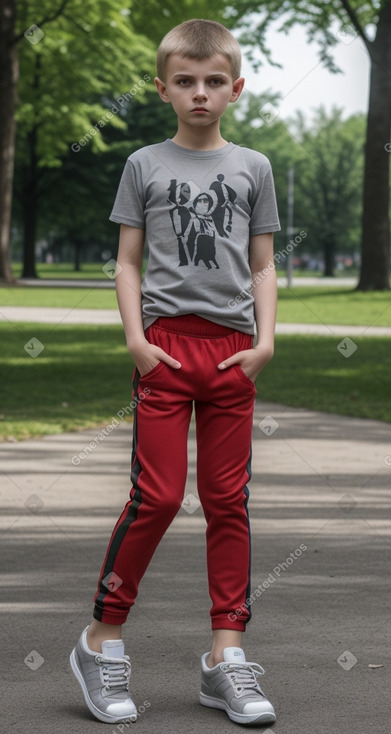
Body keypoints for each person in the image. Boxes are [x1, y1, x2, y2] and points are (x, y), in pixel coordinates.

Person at [70, 18, 280, 727]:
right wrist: (136, 339)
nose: (199, 92)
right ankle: (100, 640)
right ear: (162, 89)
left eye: (213, 81)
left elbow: (261, 265)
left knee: (228, 502)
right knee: (156, 498)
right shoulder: (143, 164)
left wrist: (265, 342)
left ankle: (225, 658)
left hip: (231, 353)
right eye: (185, 82)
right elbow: (127, 262)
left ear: (235, 89)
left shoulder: (253, 166)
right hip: (164, 349)